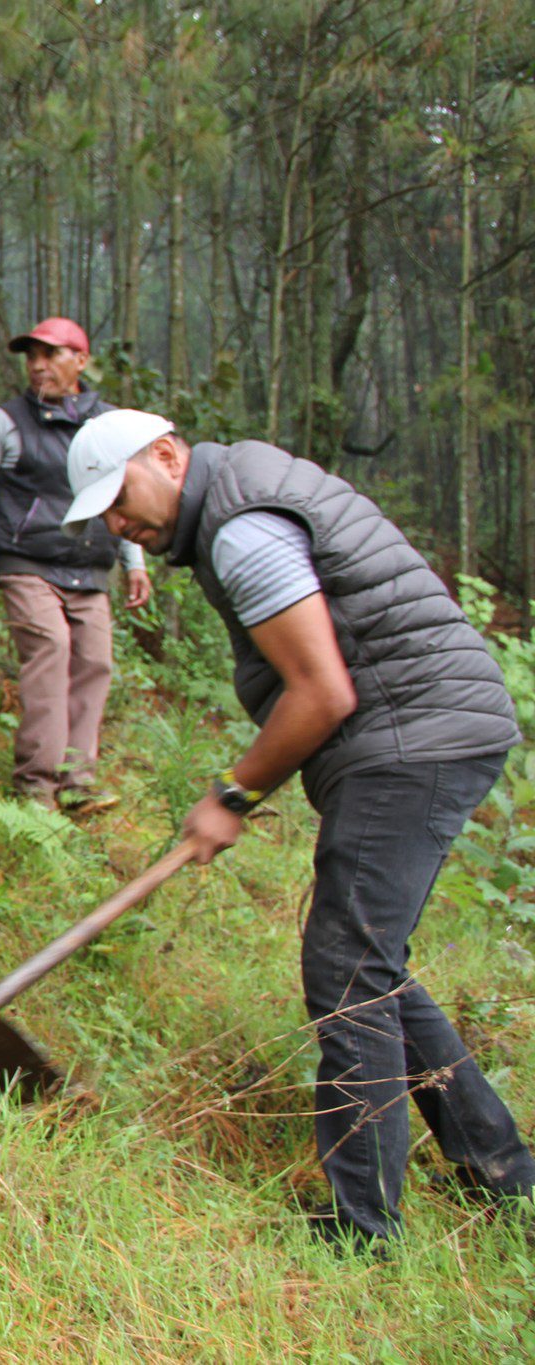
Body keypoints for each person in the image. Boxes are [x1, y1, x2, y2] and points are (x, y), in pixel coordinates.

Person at [63, 408, 533, 1251]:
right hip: (420, 726)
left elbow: (321, 692)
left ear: (167, 455)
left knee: (346, 968)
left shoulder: (241, 528)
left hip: (413, 732)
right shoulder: (239, 498)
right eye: (100, 511)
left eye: (119, 496)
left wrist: (232, 795)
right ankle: (505, 1174)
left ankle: (363, 1228)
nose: (115, 522)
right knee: (371, 963)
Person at [0, 318, 149, 812]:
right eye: (31, 357)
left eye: (51, 354)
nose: (38, 366)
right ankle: (37, 786)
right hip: (26, 561)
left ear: (81, 361)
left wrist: (135, 561)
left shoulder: (107, 424)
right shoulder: (7, 421)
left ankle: (77, 782)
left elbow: (126, 495)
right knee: (52, 646)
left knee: (96, 661)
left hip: (89, 565)